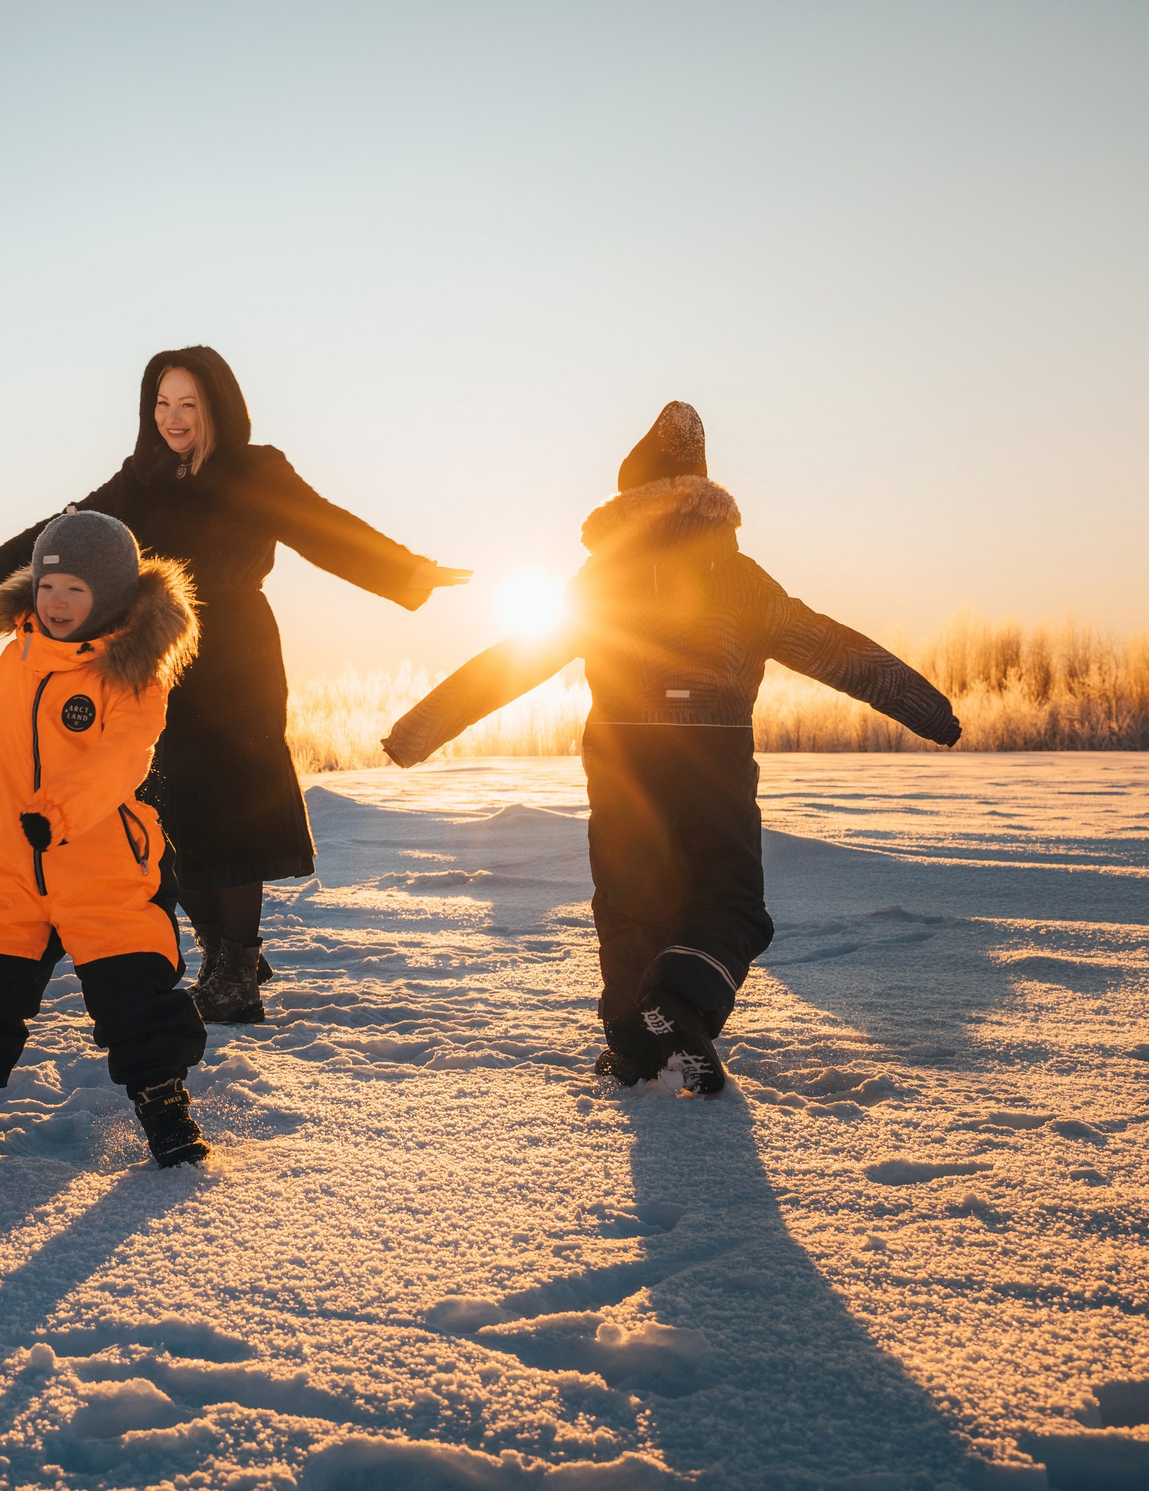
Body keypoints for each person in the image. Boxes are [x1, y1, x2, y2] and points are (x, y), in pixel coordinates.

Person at [380, 401, 962, 1093]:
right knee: (729, 898)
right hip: (713, 758)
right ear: (705, 491)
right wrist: (930, 709)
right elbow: (835, 649)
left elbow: (513, 660)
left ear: (630, 498)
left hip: (623, 760)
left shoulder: (600, 582)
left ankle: (636, 1046)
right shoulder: (744, 581)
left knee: (630, 902)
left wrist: (418, 730)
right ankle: (679, 1002)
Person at [0, 347, 468, 1025]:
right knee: (160, 805)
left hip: (238, 652)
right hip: (157, 652)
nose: (173, 418)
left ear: (217, 406)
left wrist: (410, 571)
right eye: (162, 403)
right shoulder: (138, 479)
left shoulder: (256, 470)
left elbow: (325, 528)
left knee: (233, 804)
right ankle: (222, 948)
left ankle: (237, 970)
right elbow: (71, 530)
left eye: (188, 404)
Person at [0, 510, 212, 1168]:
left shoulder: (133, 675)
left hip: (104, 869)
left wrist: (57, 813)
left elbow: (120, 758)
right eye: (47, 586)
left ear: (109, 597)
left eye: (75, 590)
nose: (56, 602)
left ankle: (166, 1110)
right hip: (16, 867)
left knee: (134, 994)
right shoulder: (19, 656)